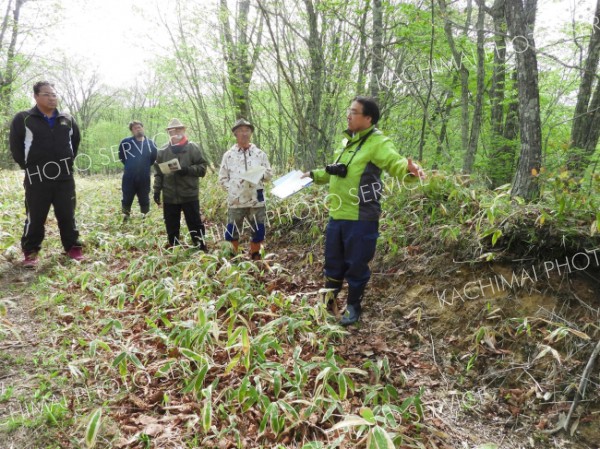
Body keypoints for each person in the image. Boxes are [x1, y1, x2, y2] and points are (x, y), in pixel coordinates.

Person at [303, 96, 425, 326]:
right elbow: (335, 172)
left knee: (357, 264)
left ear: (368, 118)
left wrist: (409, 171)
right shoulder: (349, 143)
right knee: (333, 262)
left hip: (360, 218)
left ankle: (353, 307)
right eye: (348, 111)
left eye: (354, 112)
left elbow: (395, 162)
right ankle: (329, 301)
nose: (348, 115)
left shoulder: (378, 143)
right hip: (337, 214)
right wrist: (312, 175)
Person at [9, 80, 83, 268]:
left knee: (67, 213)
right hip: (37, 177)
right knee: (35, 215)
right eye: (47, 94)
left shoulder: (67, 118)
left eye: (54, 94)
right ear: (36, 96)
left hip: (64, 176)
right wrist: (28, 167)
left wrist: (65, 162)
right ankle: (31, 252)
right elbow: (16, 147)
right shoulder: (23, 118)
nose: (52, 98)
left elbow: (74, 143)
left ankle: (73, 248)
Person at [218, 118, 273, 260]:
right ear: (235, 134)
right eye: (241, 131)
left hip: (257, 199)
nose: (244, 134)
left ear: (251, 133)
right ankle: (232, 257)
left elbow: (268, 175)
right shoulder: (228, 155)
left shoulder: (260, 154)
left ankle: (256, 255)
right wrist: (233, 189)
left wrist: (260, 174)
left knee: (259, 229)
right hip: (236, 201)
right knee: (232, 230)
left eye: (247, 130)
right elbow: (222, 178)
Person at [153, 118, 209, 251]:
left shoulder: (192, 148)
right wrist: (156, 190)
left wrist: (188, 170)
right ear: (168, 132)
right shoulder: (162, 151)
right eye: (172, 130)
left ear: (184, 130)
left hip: (189, 193)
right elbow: (158, 173)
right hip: (169, 195)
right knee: (171, 225)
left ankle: (201, 248)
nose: (176, 132)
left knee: (195, 223)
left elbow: (203, 168)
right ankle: (174, 250)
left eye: (179, 129)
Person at [118, 120, 158, 221]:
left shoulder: (151, 144)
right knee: (127, 197)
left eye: (139, 127)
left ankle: (144, 218)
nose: (138, 129)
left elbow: (153, 158)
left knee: (144, 197)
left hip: (144, 176)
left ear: (143, 128)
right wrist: (130, 166)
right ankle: (126, 217)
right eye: (135, 128)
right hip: (129, 177)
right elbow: (121, 157)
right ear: (132, 131)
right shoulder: (126, 142)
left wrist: (143, 166)